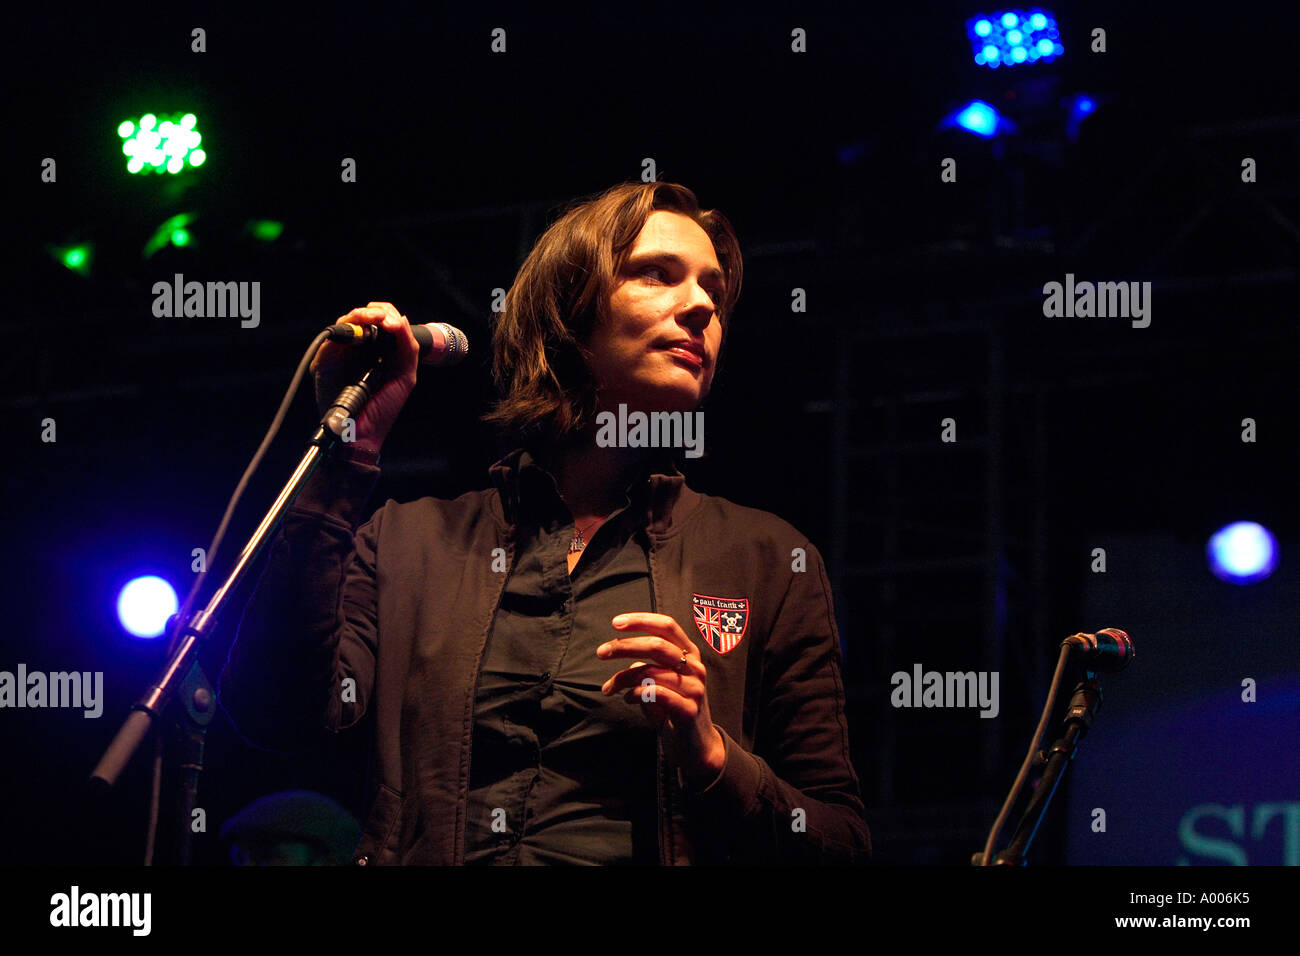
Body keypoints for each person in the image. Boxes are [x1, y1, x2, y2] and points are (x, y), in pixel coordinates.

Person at [218, 181, 871, 864]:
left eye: (713, 289)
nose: (703, 305)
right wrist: (346, 456)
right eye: (658, 274)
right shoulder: (412, 542)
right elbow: (274, 714)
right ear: (569, 310)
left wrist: (711, 755)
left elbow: (841, 844)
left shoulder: (766, 559)